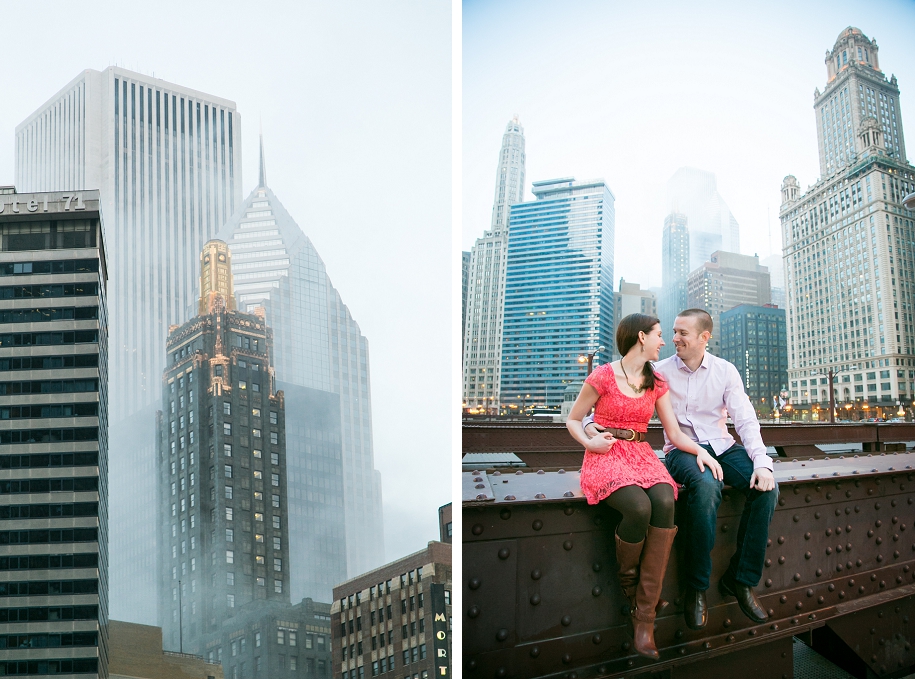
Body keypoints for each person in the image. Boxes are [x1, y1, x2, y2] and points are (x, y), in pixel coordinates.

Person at [584, 309, 778, 630]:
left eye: (682, 333)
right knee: (705, 488)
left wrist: (763, 464)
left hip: (723, 447)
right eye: (672, 332)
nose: (674, 338)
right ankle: (697, 587)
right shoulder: (657, 371)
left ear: (704, 337)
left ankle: (740, 579)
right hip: (682, 451)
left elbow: (745, 420)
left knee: (767, 490)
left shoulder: (725, 371)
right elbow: (614, 398)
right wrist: (592, 426)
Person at [566, 313, 708, 660]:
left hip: (642, 454)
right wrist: (589, 441)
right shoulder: (602, 375)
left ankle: (643, 616)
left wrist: (702, 451)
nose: (664, 341)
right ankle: (636, 596)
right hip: (607, 453)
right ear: (640, 337)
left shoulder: (656, 382)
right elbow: (572, 418)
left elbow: (673, 433)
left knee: (664, 499)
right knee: (638, 508)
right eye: (660, 335)